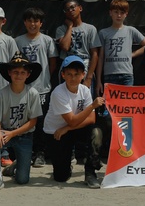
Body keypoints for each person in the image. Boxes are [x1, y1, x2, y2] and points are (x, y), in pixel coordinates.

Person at [43, 55, 105, 188]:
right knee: (61, 177)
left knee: (96, 132)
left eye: (76, 74)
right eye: (69, 74)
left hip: (69, 129)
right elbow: (71, 120)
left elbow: (91, 119)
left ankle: (90, 172)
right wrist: (92, 106)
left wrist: (68, 128)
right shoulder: (58, 92)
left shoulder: (85, 90)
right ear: (63, 75)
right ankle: (65, 163)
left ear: (83, 75)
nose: (72, 78)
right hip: (55, 132)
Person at [0, 53, 44, 193]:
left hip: (24, 135)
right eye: (16, 72)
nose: (19, 75)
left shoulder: (33, 93)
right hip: (6, 132)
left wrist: (13, 133)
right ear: (9, 73)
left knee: (22, 180)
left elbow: (33, 122)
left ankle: (15, 166)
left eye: (23, 72)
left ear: (28, 75)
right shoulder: (2, 94)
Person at [14, 7, 57, 168]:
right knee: (22, 120)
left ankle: (40, 153)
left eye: (36, 21)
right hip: (22, 88)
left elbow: (52, 64)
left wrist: (43, 79)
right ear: (25, 22)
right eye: (29, 20)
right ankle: (24, 152)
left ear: (41, 23)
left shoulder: (47, 40)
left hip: (42, 89)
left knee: (40, 122)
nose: (32, 24)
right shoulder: (18, 41)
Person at [96, 0, 145, 93]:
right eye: (116, 12)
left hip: (126, 75)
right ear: (110, 13)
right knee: (110, 106)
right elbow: (101, 58)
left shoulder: (130, 30)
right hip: (109, 75)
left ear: (126, 14)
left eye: (122, 12)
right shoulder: (103, 33)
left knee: (127, 105)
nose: (119, 15)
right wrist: (98, 80)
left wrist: (133, 54)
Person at [55, 0, 101, 89]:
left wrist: (89, 77)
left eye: (73, 8)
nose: (70, 11)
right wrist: (70, 27)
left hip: (85, 65)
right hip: (68, 64)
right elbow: (65, 47)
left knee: (85, 100)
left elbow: (95, 55)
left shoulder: (90, 29)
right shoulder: (61, 29)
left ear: (80, 8)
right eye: (67, 9)